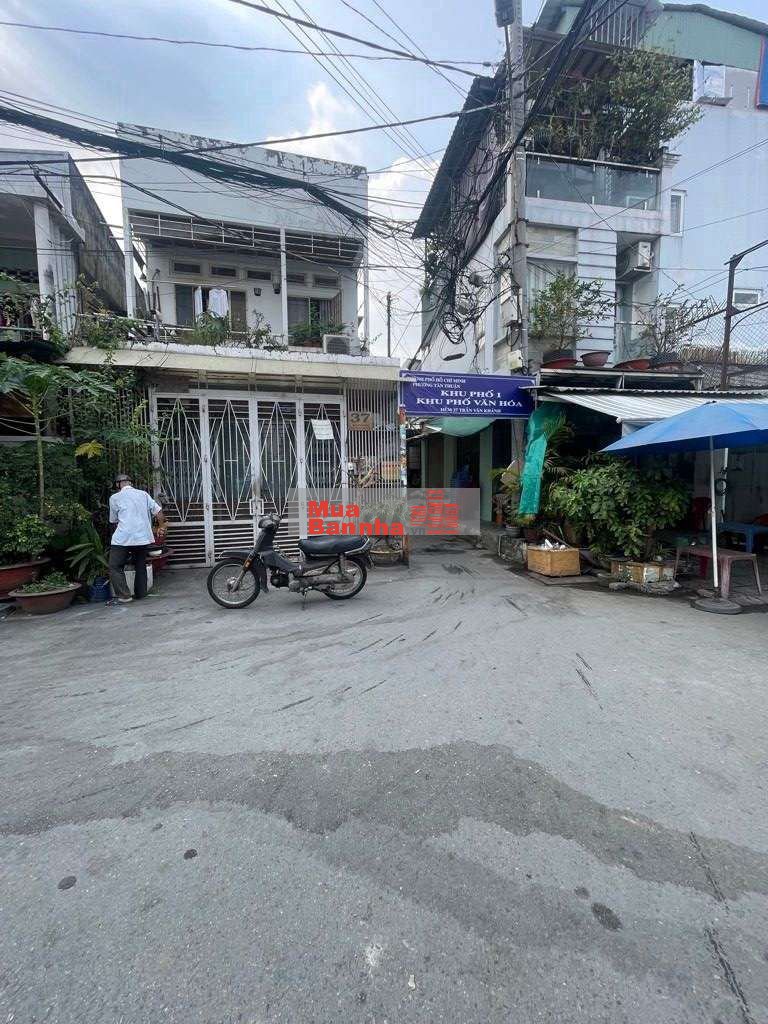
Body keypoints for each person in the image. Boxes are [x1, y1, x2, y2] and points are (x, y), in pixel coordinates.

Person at [108, 474, 165, 603]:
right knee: (140, 564)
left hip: (123, 537)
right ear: (130, 483)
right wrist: (161, 527)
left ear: (118, 485)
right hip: (142, 537)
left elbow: (113, 520)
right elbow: (158, 511)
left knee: (115, 566)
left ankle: (124, 596)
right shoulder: (143, 494)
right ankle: (141, 594)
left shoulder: (115, 498)